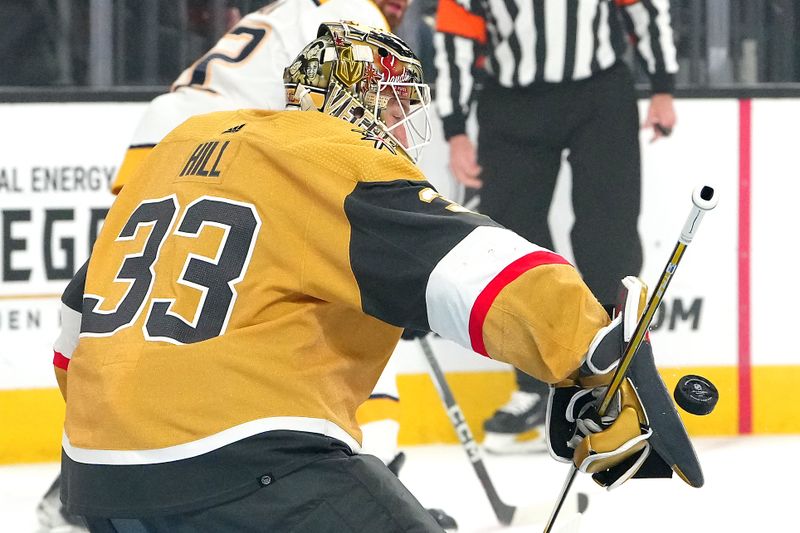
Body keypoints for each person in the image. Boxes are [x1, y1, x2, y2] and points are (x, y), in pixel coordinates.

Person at [53, 22, 698, 532]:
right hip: (243, 463)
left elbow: (73, 332)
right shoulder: (331, 156)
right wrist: (591, 353)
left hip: (98, 478)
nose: (399, 130)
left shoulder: (182, 148)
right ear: (350, 104)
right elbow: (470, 265)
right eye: (393, 109)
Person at [433, 0, 679, 454]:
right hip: (511, 100)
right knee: (513, 246)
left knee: (609, 237)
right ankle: (535, 387)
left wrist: (663, 84)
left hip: (599, 92)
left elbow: (644, 6)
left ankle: (619, 384)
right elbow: (456, 34)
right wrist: (455, 129)